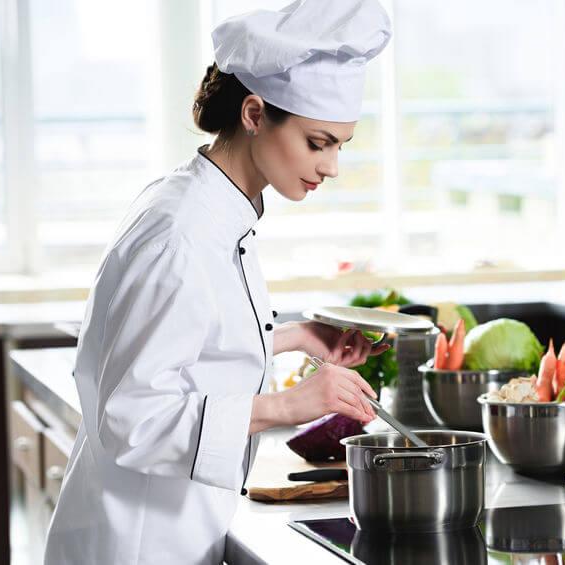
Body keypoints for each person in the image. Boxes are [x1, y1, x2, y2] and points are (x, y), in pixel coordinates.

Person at [43, 1, 392, 563]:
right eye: (317, 142)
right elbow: (135, 416)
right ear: (255, 114)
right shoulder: (181, 233)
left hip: (173, 531)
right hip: (138, 543)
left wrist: (294, 336)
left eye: (338, 147)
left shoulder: (213, 208)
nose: (330, 167)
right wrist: (288, 403)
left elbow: (188, 340)